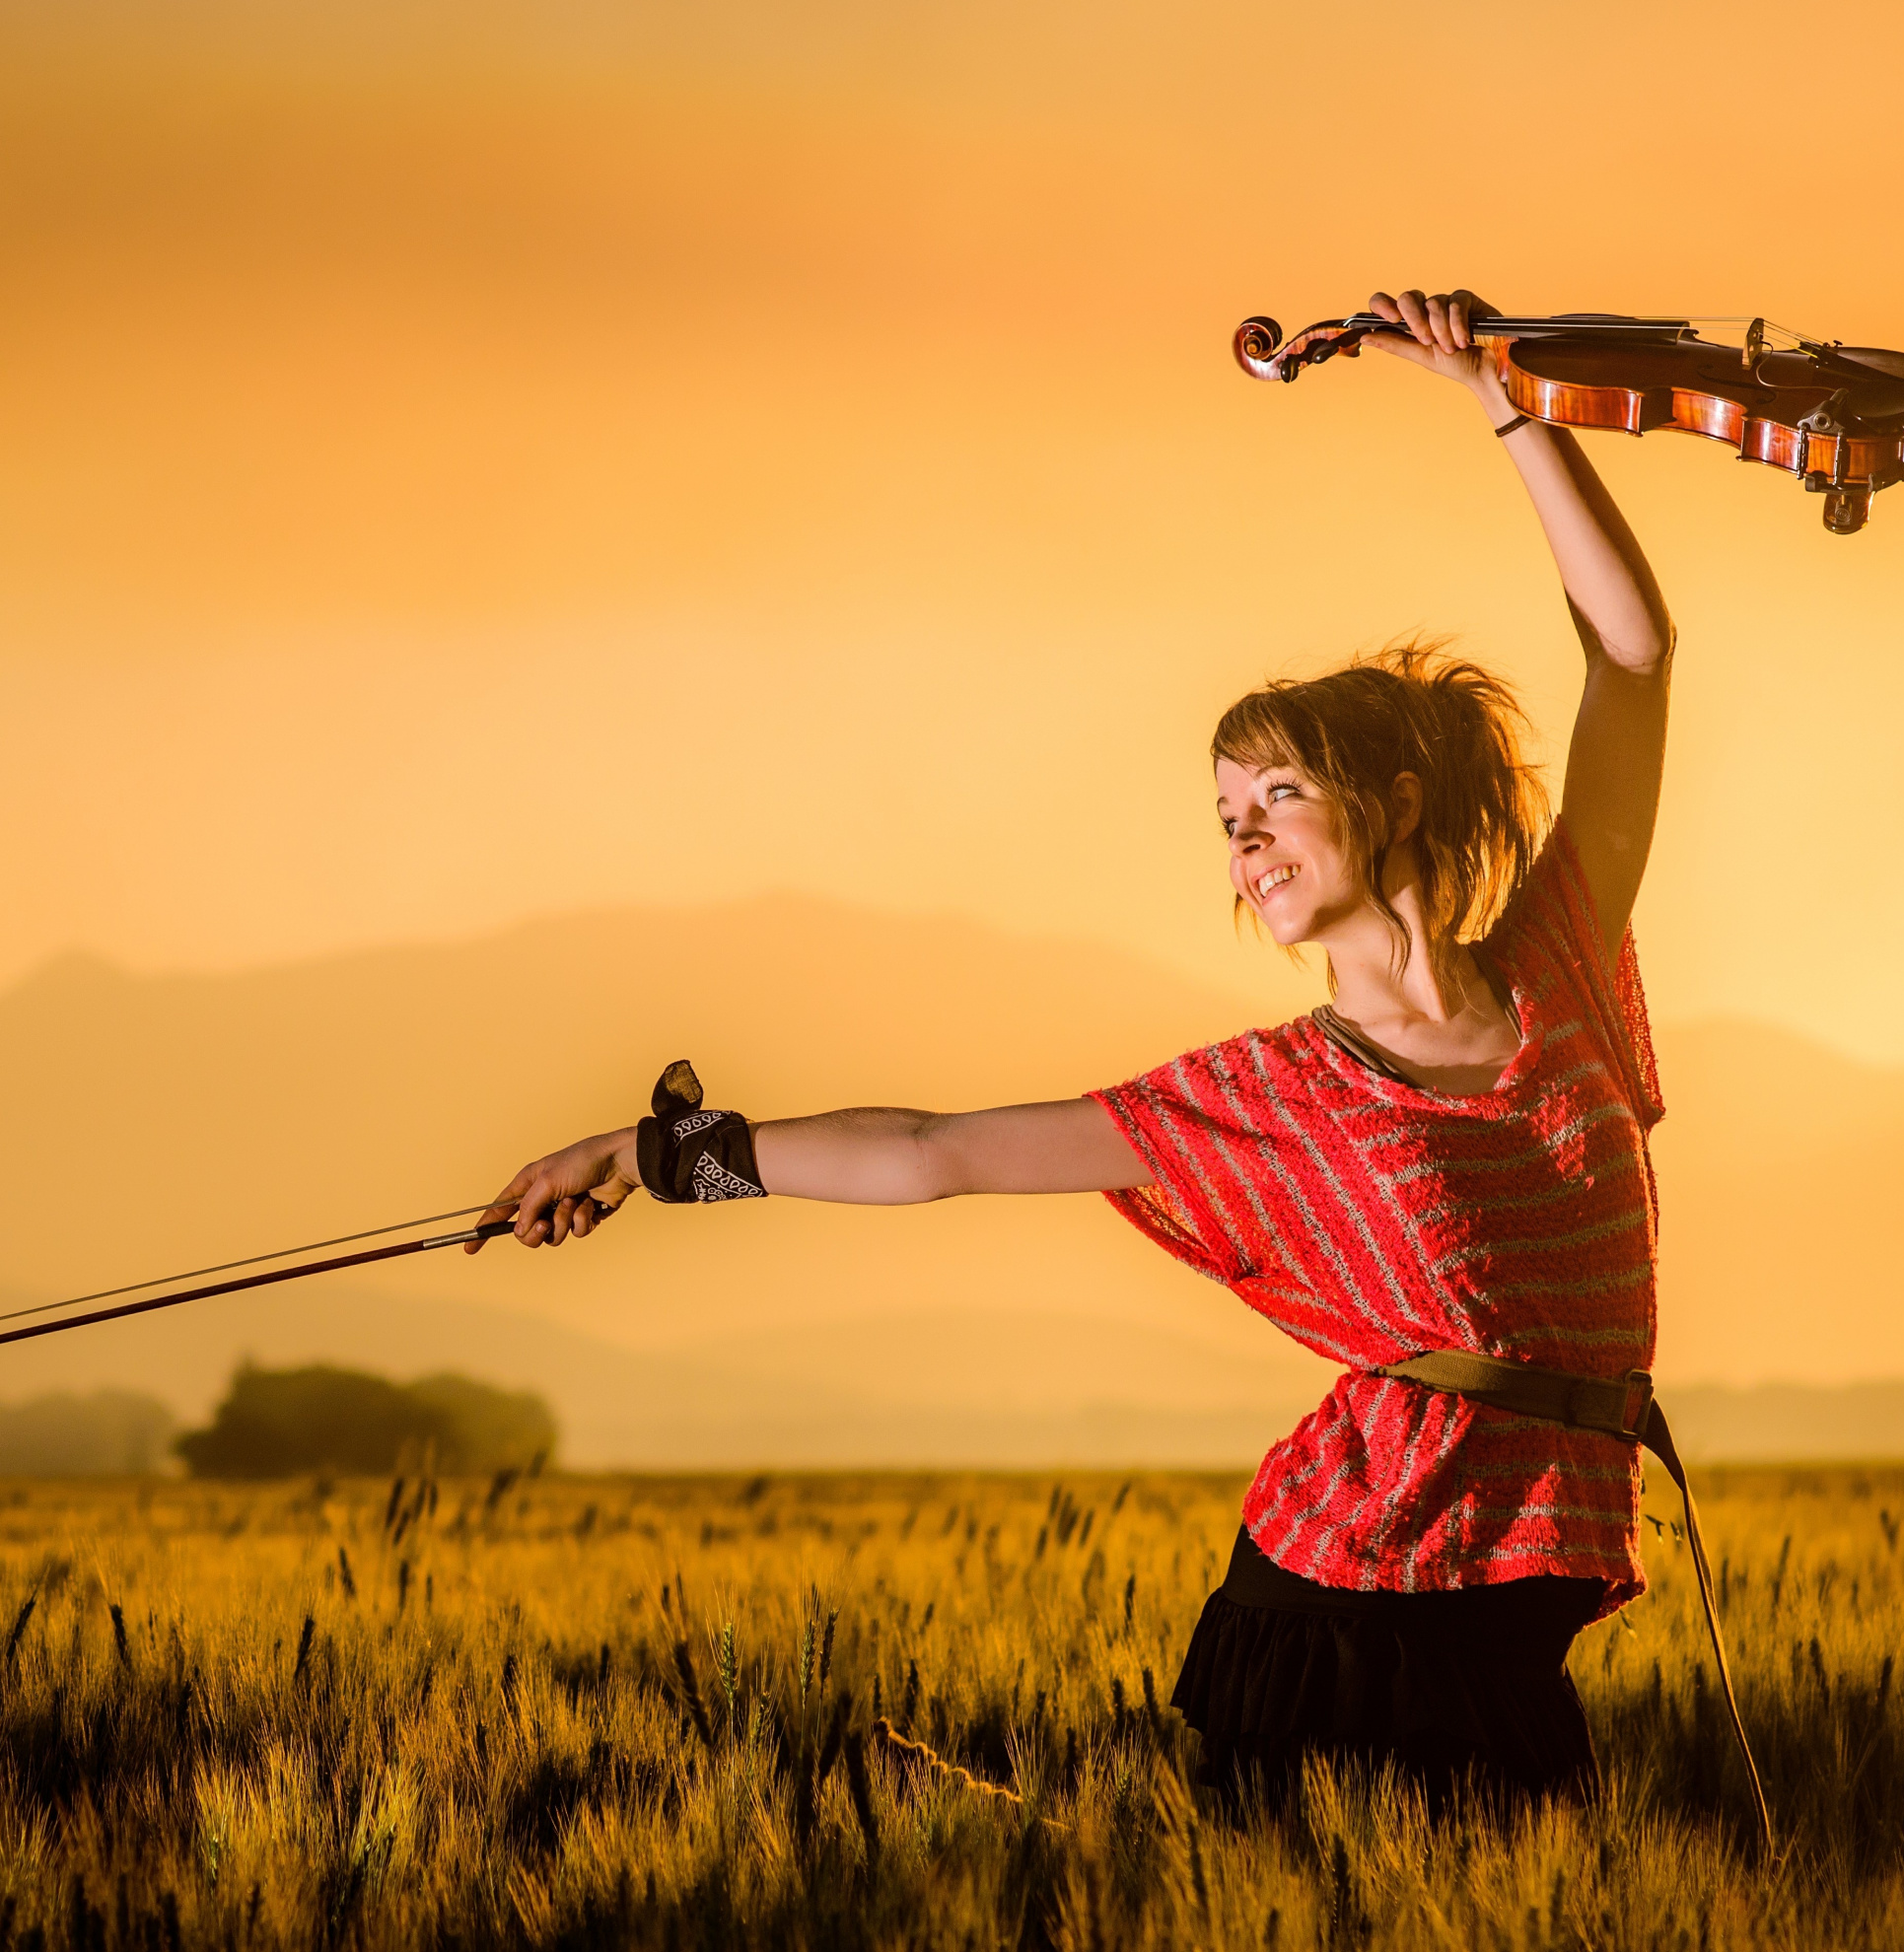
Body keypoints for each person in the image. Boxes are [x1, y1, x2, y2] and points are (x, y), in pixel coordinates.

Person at [479, 287, 1677, 1806]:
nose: (1244, 847)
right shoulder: (1270, 1095)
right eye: (1227, 824)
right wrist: (649, 1158)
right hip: (1348, 1592)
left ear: (1396, 797)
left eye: (1276, 803)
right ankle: (914, 1805)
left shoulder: (1561, 964)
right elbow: (937, 1153)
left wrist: (1507, 401)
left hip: (1530, 1578)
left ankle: (922, 1799)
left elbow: (1631, 658)